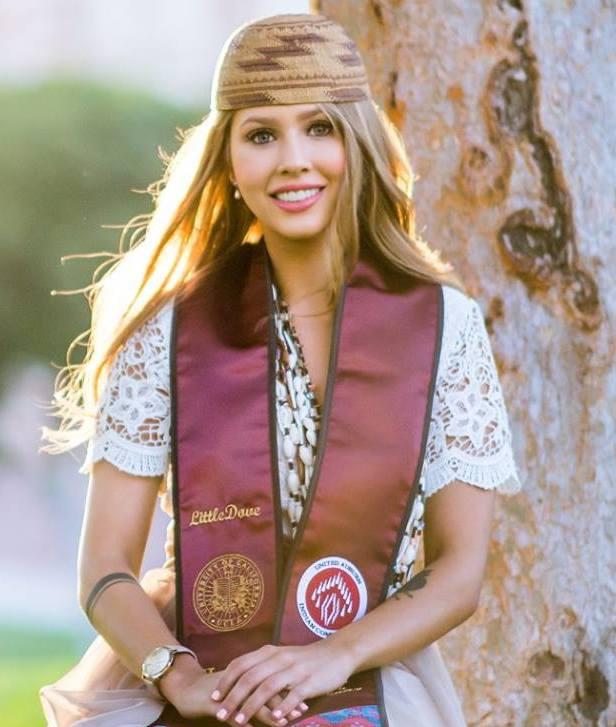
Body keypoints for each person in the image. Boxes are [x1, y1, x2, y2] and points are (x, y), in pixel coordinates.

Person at [39, 12, 522, 727]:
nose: (293, 158)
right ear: (229, 162)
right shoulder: (169, 329)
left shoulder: (442, 326)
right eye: (262, 134)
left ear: (356, 143)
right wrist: (177, 676)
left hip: (368, 674)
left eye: (319, 127)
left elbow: (458, 571)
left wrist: (336, 652)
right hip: (201, 673)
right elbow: (106, 565)